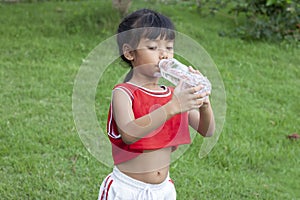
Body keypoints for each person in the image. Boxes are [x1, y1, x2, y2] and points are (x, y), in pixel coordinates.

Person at [98, 8, 215, 200]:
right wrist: (173, 106)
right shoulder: (124, 92)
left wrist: (203, 102)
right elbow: (129, 134)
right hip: (127, 188)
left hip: (163, 190)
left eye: (169, 47)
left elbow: (207, 130)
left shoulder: (172, 94)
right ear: (129, 53)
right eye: (153, 48)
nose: (164, 55)